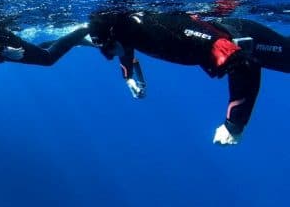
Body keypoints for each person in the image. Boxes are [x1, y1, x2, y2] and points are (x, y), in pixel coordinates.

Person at [87, 10, 288, 145]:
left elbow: (243, 63)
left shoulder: (160, 31)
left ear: (117, 35)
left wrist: (234, 124)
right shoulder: (129, 29)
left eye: (109, 47)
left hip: (245, 37)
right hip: (235, 36)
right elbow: (124, 48)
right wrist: (129, 76)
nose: (109, 55)